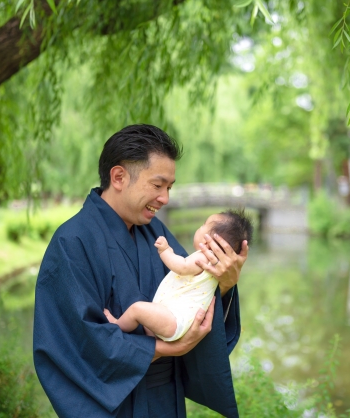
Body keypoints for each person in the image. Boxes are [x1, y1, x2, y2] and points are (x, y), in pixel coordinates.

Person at [33, 124, 248, 418]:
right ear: (119, 177)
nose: (165, 199)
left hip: (165, 399)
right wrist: (164, 348)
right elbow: (76, 343)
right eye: (158, 185)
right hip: (109, 405)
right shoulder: (72, 241)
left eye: (169, 188)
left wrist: (223, 283)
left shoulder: (155, 232)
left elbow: (190, 299)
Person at [105, 210, 253, 342]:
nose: (199, 228)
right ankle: (149, 336)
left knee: (137, 309)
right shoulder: (216, 266)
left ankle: (117, 325)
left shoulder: (203, 258)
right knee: (144, 313)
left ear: (210, 242)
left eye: (203, 225)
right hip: (178, 322)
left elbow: (181, 266)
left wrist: (165, 250)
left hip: (175, 320)